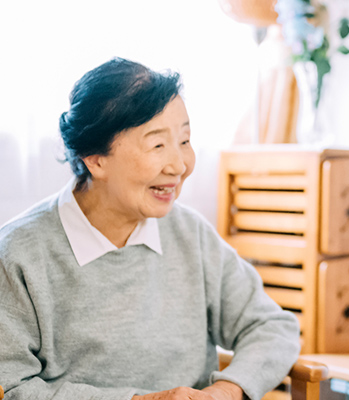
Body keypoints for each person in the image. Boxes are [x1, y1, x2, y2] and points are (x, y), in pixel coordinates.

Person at [0, 58, 301, 400]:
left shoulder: (190, 233)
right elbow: (12, 386)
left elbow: (272, 327)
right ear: (95, 158)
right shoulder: (18, 254)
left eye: (185, 141)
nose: (180, 165)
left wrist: (227, 391)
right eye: (157, 145)